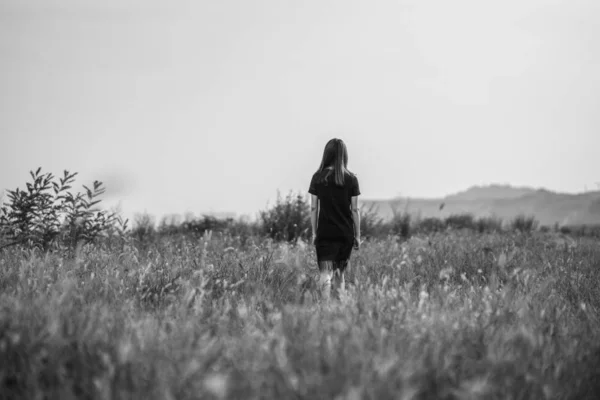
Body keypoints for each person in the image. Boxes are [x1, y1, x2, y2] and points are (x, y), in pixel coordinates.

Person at [308, 138, 361, 301]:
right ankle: (340, 310)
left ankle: (325, 309)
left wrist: (314, 233)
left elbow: (313, 208)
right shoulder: (351, 179)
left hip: (325, 232)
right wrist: (357, 235)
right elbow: (355, 209)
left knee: (325, 273)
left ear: (327, 154)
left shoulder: (318, 177)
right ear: (343, 155)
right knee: (340, 275)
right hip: (345, 233)